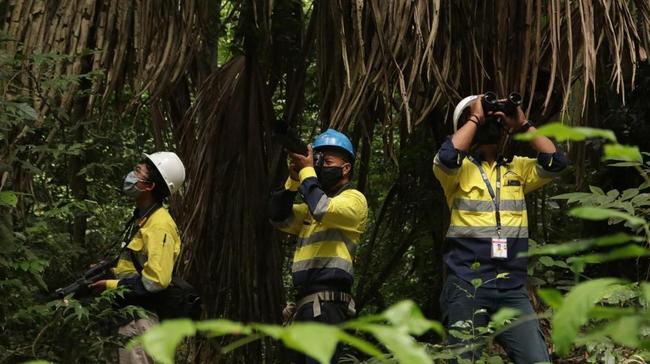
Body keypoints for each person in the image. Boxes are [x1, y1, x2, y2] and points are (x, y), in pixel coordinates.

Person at [433, 95, 567, 363]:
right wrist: (474, 117)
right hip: (467, 284)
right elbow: (447, 157)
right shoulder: (457, 171)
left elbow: (556, 162)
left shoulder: (517, 168)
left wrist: (522, 123)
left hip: (511, 287)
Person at [269, 129, 368, 364]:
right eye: (318, 160)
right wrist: (294, 180)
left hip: (328, 305)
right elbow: (276, 216)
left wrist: (307, 172)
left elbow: (323, 208)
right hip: (304, 306)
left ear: (346, 168)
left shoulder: (354, 200)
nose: (320, 166)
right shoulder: (310, 211)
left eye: (328, 161)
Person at [89, 151, 185, 364]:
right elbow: (135, 267)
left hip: (140, 321)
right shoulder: (144, 218)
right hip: (128, 317)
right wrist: (108, 272)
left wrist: (111, 285)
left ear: (149, 186)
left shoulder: (160, 224)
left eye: (137, 172)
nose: (131, 175)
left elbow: (155, 281)